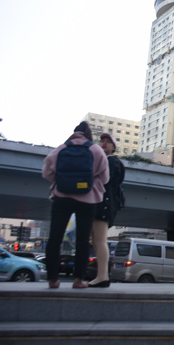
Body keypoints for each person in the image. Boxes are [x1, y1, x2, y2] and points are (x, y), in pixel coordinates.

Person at [42, 122, 109, 289]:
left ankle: (52, 279)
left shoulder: (61, 148)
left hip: (62, 197)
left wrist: (63, 182)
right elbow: (105, 178)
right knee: (82, 239)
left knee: (55, 237)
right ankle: (78, 280)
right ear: (88, 134)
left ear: (74, 133)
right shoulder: (95, 150)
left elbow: (46, 172)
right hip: (88, 199)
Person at [89, 133, 125, 288]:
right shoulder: (108, 161)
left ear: (114, 147)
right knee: (96, 240)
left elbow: (105, 181)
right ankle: (101, 275)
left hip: (103, 203)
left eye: (108, 142)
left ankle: (103, 276)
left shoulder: (111, 162)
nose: (104, 143)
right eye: (102, 141)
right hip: (102, 203)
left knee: (99, 240)